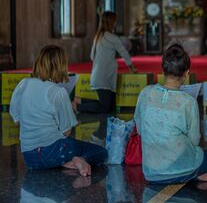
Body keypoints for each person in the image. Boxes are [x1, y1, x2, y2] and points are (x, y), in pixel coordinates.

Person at [134, 44, 207, 190]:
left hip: (151, 173)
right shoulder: (188, 101)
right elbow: (194, 140)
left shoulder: (145, 93)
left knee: (189, 161)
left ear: (163, 69)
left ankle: (195, 174)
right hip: (179, 167)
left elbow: (140, 131)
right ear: (186, 73)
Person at [10, 45, 107, 176]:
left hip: (30, 157)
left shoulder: (23, 84)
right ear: (61, 66)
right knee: (100, 152)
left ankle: (62, 161)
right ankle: (78, 159)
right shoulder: (58, 92)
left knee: (58, 150)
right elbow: (66, 132)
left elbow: (16, 119)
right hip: (54, 151)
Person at [74, 11, 136, 113]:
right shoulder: (112, 37)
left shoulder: (98, 36)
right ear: (111, 22)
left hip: (98, 75)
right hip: (104, 77)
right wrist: (131, 67)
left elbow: (92, 57)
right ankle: (77, 107)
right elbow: (124, 52)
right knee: (105, 108)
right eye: (115, 21)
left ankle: (80, 100)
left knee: (110, 107)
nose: (116, 23)